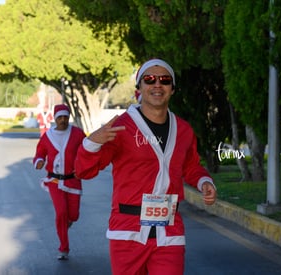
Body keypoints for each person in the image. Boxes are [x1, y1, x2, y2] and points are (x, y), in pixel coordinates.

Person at [74, 58, 217, 275]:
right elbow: (84, 171)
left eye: (164, 80)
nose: (157, 84)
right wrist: (91, 142)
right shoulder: (121, 127)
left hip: (169, 231)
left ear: (172, 89)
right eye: (149, 79)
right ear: (139, 88)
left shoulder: (184, 130)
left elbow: (190, 166)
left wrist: (204, 181)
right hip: (127, 232)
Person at [33, 104, 86, 260]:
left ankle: (67, 222)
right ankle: (63, 248)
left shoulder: (77, 134)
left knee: (74, 215)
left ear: (68, 117)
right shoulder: (47, 137)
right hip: (54, 180)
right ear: (55, 118)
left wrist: (84, 167)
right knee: (61, 212)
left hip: (73, 180)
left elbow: (86, 151)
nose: (63, 120)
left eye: (65, 117)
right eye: (59, 117)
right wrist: (40, 161)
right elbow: (39, 154)